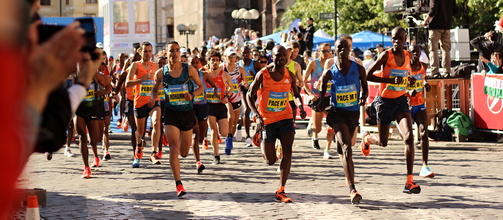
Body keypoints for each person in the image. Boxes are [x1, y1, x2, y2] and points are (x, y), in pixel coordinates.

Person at [364, 27, 421, 194]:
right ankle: (367, 138)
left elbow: (405, 73)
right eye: (394, 38)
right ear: (391, 39)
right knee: (383, 142)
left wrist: (407, 79)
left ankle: (409, 181)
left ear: (405, 40)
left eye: (401, 39)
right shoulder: (386, 55)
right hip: (384, 102)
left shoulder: (408, 56)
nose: (397, 41)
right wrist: (390, 79)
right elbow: (368, 75)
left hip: (401, 101)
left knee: (409, 137)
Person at [246, 45, 307, 203]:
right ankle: (260, 138)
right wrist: (257, 116)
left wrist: (300, 107)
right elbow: (248, 94)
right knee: (270, 160)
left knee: (288, 152)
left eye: (284, 56)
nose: (281, 58)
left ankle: (281, 189)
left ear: (288, 58)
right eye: (277, 56)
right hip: (268, 121)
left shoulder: (290, 74)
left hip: (285, 118)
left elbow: (295, 94)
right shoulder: (263, 74)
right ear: (272, 56)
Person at [318, 38, 368, 204]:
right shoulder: (329, 72)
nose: (342, 51)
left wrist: (363, 97)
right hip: (337, 113)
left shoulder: (359, 69)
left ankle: (345, 164)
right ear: (335, 50)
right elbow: (322, 92)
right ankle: (352, 189)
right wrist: (319, 103)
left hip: (353, 114)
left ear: (349, 50)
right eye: (339, 48)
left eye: (345, 48)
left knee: (345, 146)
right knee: (347, 147)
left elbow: (365, 89)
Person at [152, 41, 204, 197]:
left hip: (187, 113)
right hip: (171, 114)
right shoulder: (161, 73)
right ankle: (178, 184)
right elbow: (155, 90)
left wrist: (192, 95)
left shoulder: (189, 69)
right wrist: (153, 99)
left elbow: (201, 86)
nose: (174, 53)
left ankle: (184, 146)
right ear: (165, 53)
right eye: (171, 51)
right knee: (173, 148)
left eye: (177, 51)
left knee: (184, 152)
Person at [126, 42, 161, 168]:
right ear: (140, 52)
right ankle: (138, 150)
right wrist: (142, 79)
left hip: (153, 100)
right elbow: (127, 83)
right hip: (140, 102)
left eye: (150, 51)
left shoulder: (156, 66)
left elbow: (160, 83)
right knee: (139, 131)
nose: (147, 54)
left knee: (156, 121)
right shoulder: (135, 65)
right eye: (145, 51)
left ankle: (154, 152)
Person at [406, 44, 434, 178]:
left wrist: (426, 85)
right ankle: (409, 169)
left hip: (419, 104)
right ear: (409, 53)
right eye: (413, 52)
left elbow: (422, 79)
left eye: (417, 52)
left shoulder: (423, 66)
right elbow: (397, 85)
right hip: (406, 106)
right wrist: (407, 91)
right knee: (408, 138)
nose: (415, 54)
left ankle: (424, 166)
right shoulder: (405, 67)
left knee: (424, 132)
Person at [303, 43, 335, 157]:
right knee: (317, 128)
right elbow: (304, 80)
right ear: (319, 52)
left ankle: (328, 149)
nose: (326, 53)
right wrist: (310, 94)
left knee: (333, 123)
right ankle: (313, 132)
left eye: (328, 51)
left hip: (330, 97)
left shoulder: (332, 63)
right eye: (323, 51)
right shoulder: (313, 63)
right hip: (317, 97)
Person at [206, 50, 233, 165]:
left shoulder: (224, 74)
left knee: (224, 132)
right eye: (213, 60)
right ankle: (216, 155)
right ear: (209, 61)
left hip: (220, 105)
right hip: (209, 106)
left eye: (217, 60)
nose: (215, 62)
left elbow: (231, 88)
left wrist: (226, 96)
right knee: (213, 131)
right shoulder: (204, 73)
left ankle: (220, 141)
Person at [421, 0, 458, 77]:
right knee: (446, 49)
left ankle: (435, 72)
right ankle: (447, 71)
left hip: (435, 26)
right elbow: (455, 11)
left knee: (433, 49)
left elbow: (433, 9)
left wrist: (425, 21)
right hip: (447, 26)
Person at [222, 47, 248, 155]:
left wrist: (244, 84)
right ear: (225, 57)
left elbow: (245, 82)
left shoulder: (240, 69)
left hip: (237, 97)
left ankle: (229, 138)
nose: (232, 59)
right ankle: (227, 139)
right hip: (226, 97)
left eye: (234, 56)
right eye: (229, 57)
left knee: (234, 122)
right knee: (230, 116)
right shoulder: (222, 68)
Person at [238, 46, 261, 147]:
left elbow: (263, 75)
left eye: (247, 53)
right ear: (241, 53)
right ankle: (247, 137)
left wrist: (254, 75)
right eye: (244, 53)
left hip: (255, 90)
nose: (245, 55)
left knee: (258, 111)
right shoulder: (238, 65)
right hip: (244, 90)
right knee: (246, 109)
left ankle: (257, 134)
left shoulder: (255, 63)